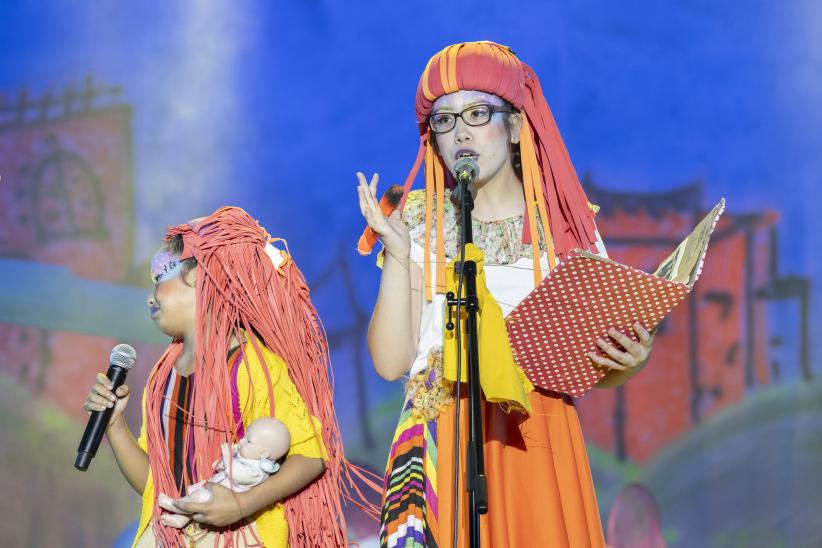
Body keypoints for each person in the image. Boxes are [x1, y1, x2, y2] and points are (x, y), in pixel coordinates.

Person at [356, 41, 655, 548]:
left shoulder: (563, 224)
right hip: (439, 428)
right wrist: (401, 254)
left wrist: (631, 359)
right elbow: (390, 363)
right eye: (445, 121)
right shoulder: (417, 219)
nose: (461, 132)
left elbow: (596, 362)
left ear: (516, 126)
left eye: (477, 112)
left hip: (534, 431)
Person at [84, 206, 376, 547]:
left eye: (160, 278)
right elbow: (156, 483)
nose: (150, 296)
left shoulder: (253, 367)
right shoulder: (161, 376)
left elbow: (310, 457)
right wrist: (115, 426)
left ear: (205, 277)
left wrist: (239, 505)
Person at [157, 416, 291, 529]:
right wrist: (222, 465)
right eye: (244, 437)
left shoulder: (257, 473)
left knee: (197, 498)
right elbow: (234, 465)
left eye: (248, 441)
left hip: (221, 498)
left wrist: (227, 458)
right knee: (196, 502)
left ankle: (174, 505)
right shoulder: (251, 457)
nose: (241, 441)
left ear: (264, 454)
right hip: (217, 487)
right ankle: (182, 519)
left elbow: (236, 474)